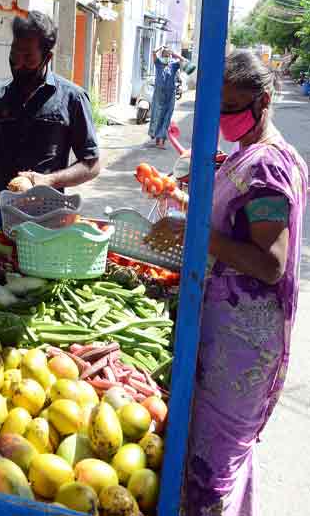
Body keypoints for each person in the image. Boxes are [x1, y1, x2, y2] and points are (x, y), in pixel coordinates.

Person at [148, 50, 308, 516]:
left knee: (213, 467)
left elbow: (271, 263)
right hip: (225, 331)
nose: (224, 119)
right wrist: (181, 200)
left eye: (233, 109)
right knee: (225, 455)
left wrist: (196, 232)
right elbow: (229, 218)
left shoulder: (268, 168)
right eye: (217, 109)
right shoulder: (248, 156)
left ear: (264, 101)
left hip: (242, 348)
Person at [0, 11, 100, 224]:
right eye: (14, 55)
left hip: (45, 218)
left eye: (28, 58)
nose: (18, 64)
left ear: (47, 58)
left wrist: (48, 180)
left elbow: (91, 163)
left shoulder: (72, 98)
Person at [148, 45, 187, 149]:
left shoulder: (174, 64)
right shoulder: (158, 62)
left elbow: (184, 60)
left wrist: (174, 53)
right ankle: (157, 138)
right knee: (157, 114)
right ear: (162, 54)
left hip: (170, 93)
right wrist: (160, 47)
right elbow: (153, 52)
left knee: (166, 116)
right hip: (159, 92)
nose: (167, 55)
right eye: (165, 54)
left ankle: (161, 141)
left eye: (169, 54)